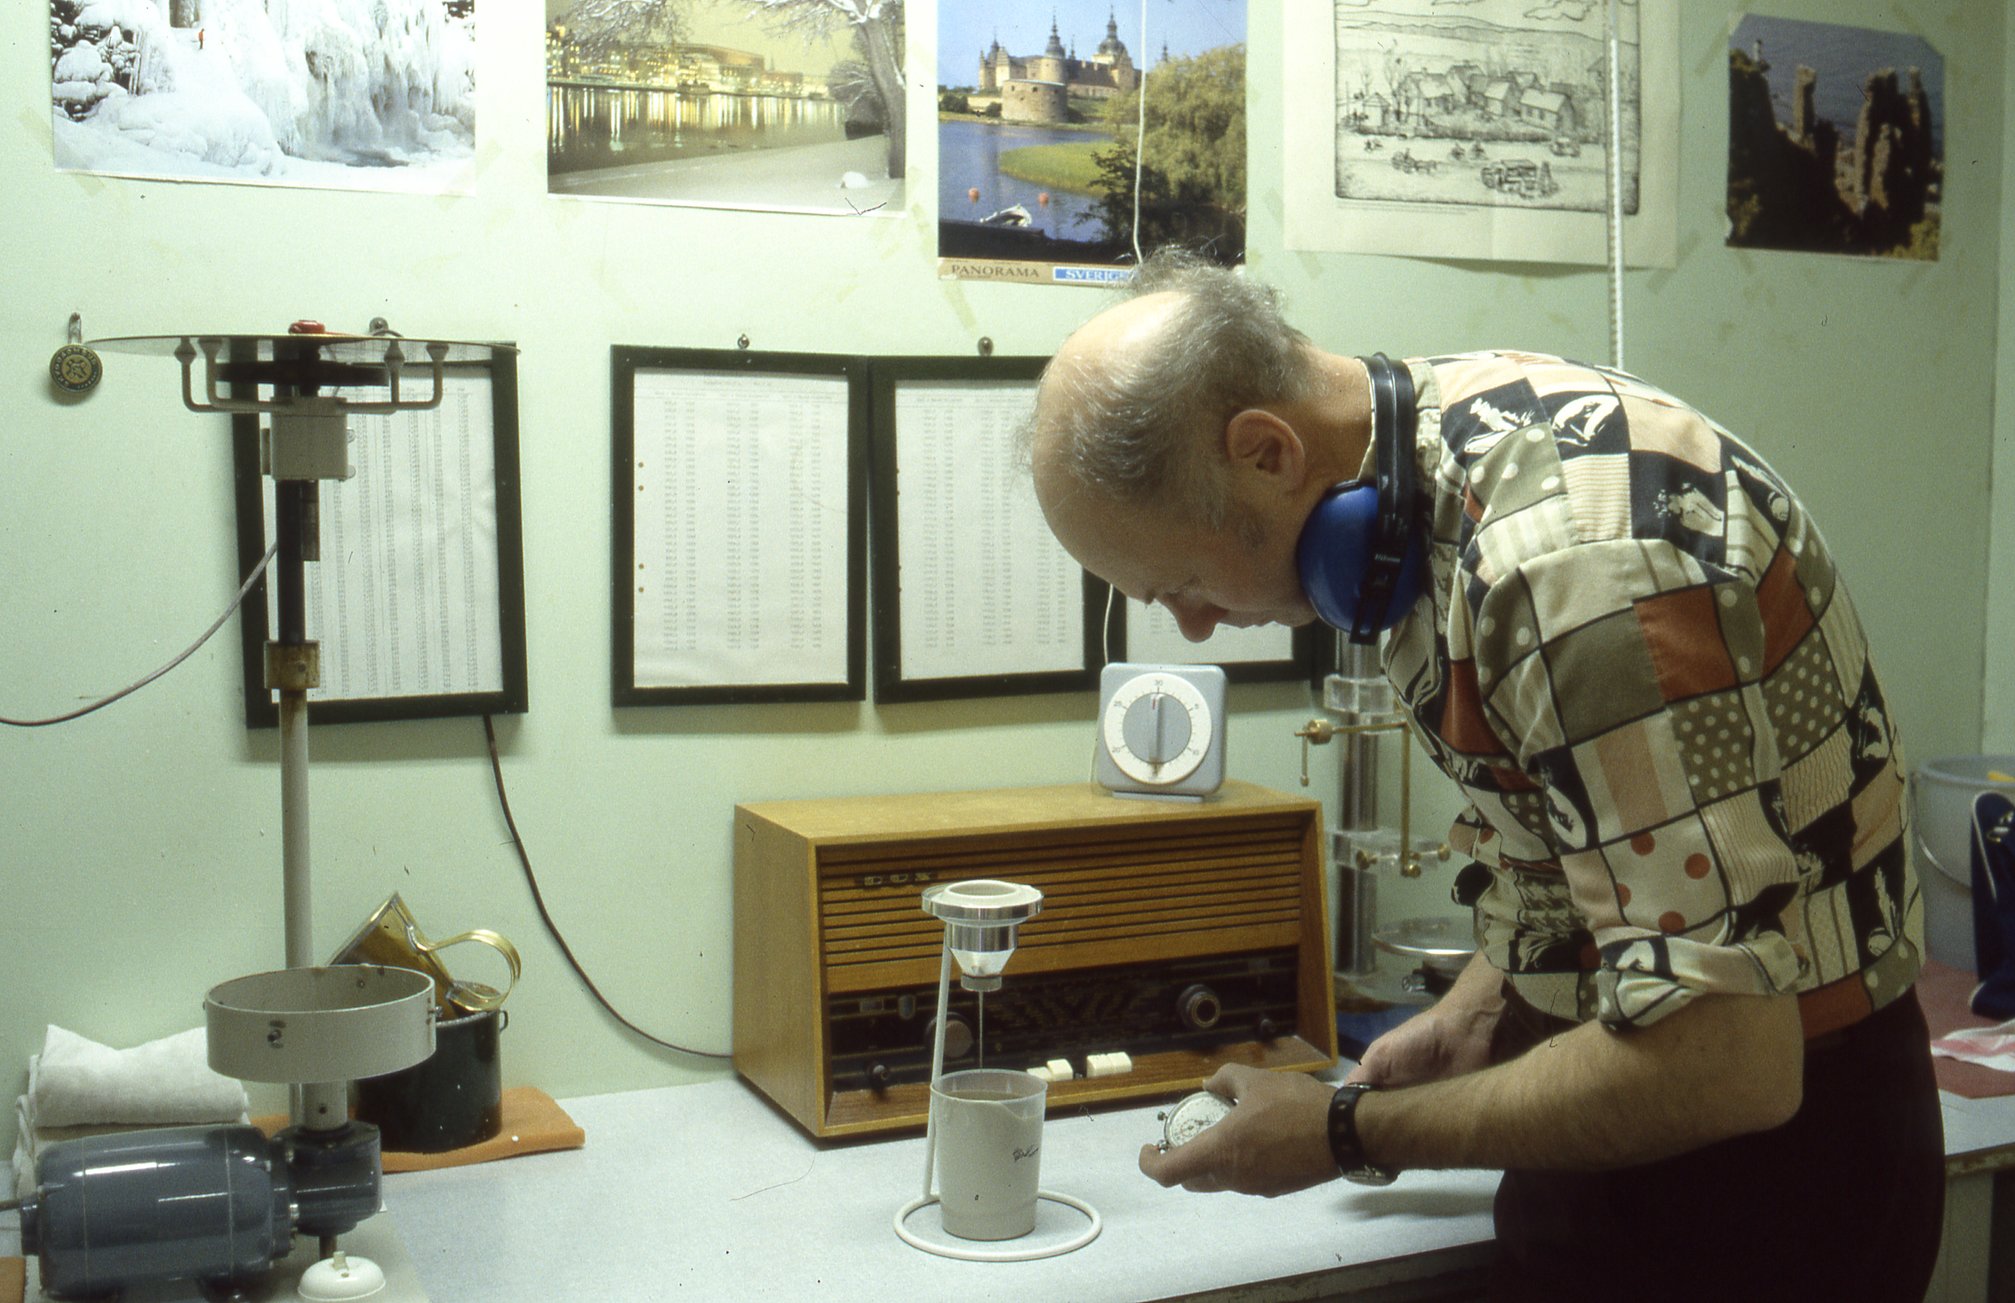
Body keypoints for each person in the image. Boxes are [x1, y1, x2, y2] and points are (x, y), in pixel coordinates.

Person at [1022, 249, 1945, 1301]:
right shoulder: (1430, 455)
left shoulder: (1579, 568)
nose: (1190, 623)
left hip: (1766, 1187)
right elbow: (1576, 836)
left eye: (1181, 580)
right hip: (1620, 1133)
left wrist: (1342, 1130)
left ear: (1265, 450)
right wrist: (1481, 1002)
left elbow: (1723, 1057)